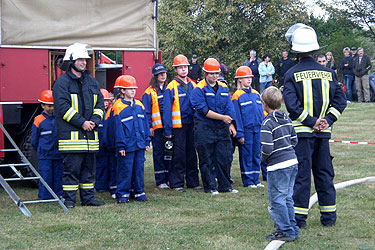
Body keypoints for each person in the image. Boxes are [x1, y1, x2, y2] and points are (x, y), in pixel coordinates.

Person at [283, 23, 346, 228]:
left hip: (302, 134)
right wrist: (327, 120)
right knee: (324, 174)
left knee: (302, 176)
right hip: (323, 134)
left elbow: (292, 106)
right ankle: (329, 218)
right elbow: (341, 101)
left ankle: (299, 219)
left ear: (295, 49)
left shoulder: (291, 74)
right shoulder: (328, 73)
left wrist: (311, 122)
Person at [53, 43, 105, 208]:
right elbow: (62, 108)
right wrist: (82, 122)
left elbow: (100, 105)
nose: (84, 62)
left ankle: (88, 199)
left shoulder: (92, 82)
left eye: (85, 59)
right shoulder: (62, 83)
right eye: (80, 59)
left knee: (89, 172)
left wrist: (94, 122)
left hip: (90, 137)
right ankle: (69, 200)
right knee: (71, 172)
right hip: (72, 139)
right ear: (71, 61)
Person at [190, 58, 238, 195]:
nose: (214, 76)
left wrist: (231, 124)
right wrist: (223, 118)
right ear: (205, 73)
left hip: (222, 128)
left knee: (224, 157)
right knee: (206, 159)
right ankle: (210, 186)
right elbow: (203, 111)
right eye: (211, 73)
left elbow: (230, 107)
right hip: (204, 127)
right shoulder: (198, 89)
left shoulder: (223, 88)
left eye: (216, 73)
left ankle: (225, 185)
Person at [260, 86, 299, 242]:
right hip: (292, 162)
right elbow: (294, 139)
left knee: (277, 199)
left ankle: (285, 230)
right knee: (287, 197)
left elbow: (267, 148)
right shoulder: (286, 118)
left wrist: (263, 158)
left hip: (278, 166)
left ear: (264, 103)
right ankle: (292, 228)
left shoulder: (267, 123)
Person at [163, 55, 200, 192]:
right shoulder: (171, 87)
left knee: (192, 153)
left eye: (185, 67)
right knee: (178, 154)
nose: (183, 70)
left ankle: (193, 181)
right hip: (178, 126)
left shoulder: (194, 85)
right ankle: (176, 183)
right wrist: (168, 130)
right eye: (180, 67)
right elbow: (167, 110)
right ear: (176, 69)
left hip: (192, 124)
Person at [112, 75, 151, 203]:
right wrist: (121, 146)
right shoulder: (118, 107)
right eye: (130, 89)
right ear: (122, 90)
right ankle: (123, 194)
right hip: (127, 146)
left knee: (139, 169)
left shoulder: (139, 105)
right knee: (125, 170)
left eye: (134, 88)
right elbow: (118, 129)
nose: (133, 91)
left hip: (139, 144)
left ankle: (139, 192)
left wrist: (146, 141)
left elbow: (145, 125)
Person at [231, 66, 264, 188]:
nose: (249, 80)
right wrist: (240, 133)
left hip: (257, 129)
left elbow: (261, 113)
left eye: (250, 77)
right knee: (246, 155)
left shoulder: (256, 94)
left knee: (256, 154)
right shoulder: (237, 95)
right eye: (246, 77)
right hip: (246, 130)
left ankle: (256, 179)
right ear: (239, 79)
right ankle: (248, 180)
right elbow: (237, 117)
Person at [142, 63, 170, 189]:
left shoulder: (169, 88)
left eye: (164, 73)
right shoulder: (149, 92)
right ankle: (160, 180)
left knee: (169, 151)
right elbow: (146, 111)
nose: (163, 75)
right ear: (155, 76)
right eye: (160, 73)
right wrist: (149, 127)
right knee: (158, 152)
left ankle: (169, 178)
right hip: (157, 128)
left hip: (169, 125)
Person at [31, 90, 63, 200]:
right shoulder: (38, 120)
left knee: (58, 175)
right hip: (45, 155)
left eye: (53, 106)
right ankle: (45, 196)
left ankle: (58, 194)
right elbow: (34, 140)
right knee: (46, 175)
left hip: (58, 154)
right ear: (42, 105)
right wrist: (40, 150)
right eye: (49, 106)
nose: (51, 109)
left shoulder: (58, 119)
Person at [95, 89, 117, 197]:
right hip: (100, 149)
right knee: (101, 168)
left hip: (109, 147)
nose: (105, 103)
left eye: (106, 101)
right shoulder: (95, 116)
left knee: (111, 167)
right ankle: (100, 187)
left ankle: (109, 185)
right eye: (103, 101)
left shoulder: (109, 114)